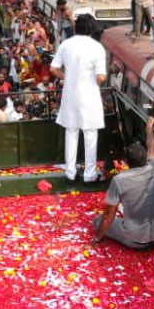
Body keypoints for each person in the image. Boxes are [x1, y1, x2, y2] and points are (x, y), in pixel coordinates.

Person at [92, 117, 154, 248]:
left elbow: (108, 216)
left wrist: (96, 240)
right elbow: (151, 146)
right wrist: (149, 128)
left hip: (135, 240)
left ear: (127, 162)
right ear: (146, 159)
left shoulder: (120, 180)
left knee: (97, 220)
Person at [49, 14, 107, 183]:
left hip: (70, 95)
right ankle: (89, 174)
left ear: (76, 28)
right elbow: (102, 77)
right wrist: (93, 83)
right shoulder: (97, 48)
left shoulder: (66, 45)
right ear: (91, 29)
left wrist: (66, 78)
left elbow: (53, 69)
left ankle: (70, 172)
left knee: (71, 133)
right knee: (90, 135)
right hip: (90, 97)